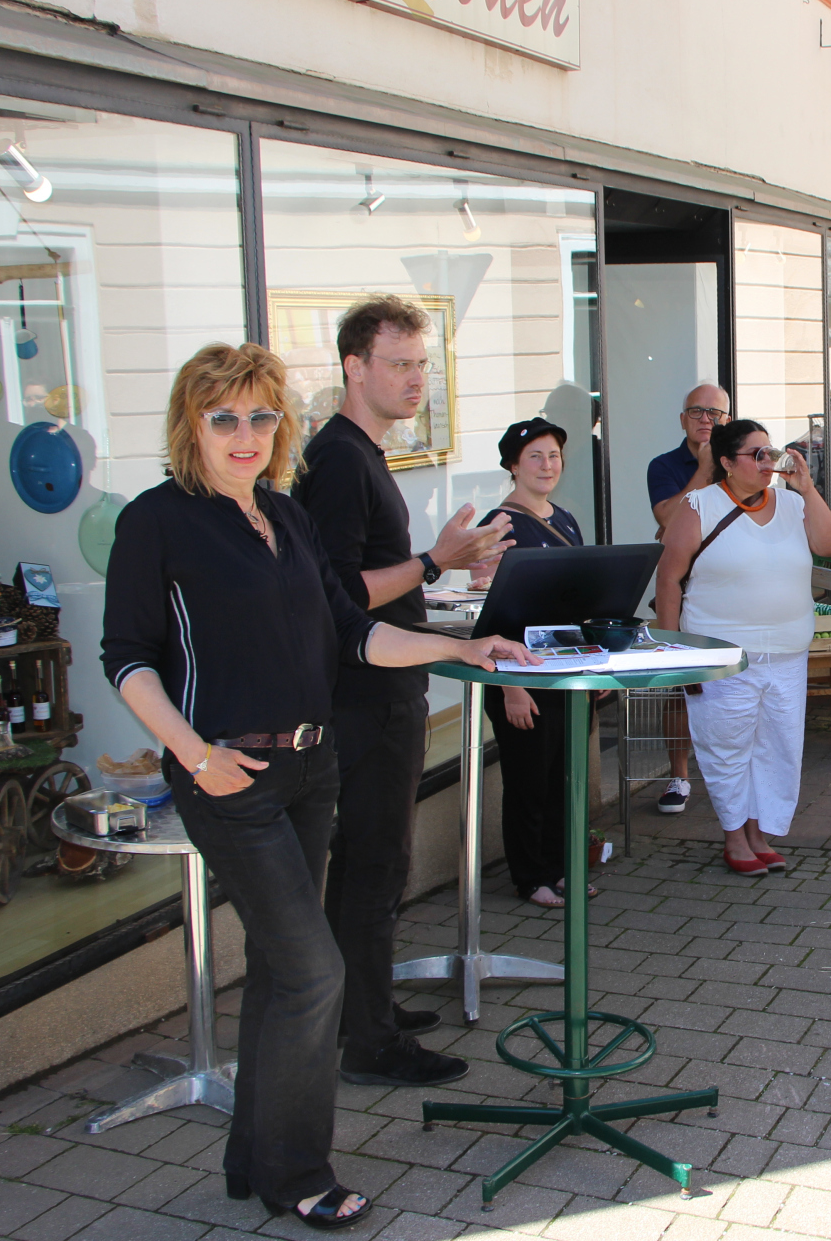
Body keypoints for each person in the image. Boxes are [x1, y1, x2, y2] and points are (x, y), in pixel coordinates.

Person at [101, 342, 535, 1229]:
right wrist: (192, 753)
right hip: (230, 774)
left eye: (261, 415)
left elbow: (354, 631)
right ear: (191, 423)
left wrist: (461, 647)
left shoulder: (285, 517)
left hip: (310, 766)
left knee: (278, 969)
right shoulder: (158, 520)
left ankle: (250, 1157)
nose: (246, 433)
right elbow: (129, 658)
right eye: (224, 416)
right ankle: (298, 1170)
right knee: (314, 970)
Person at [292, 296, 510, 1092]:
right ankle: (369, 1041)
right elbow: (338, 591)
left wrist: (447, 563)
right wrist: (431, 561)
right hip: (364, 693)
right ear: (354, 367)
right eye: (400, 363)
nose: (416, 379)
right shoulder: (342, 460)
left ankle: (364, 1010)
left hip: (382, 688)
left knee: (367, 863)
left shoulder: (362, 452)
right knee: (375, 862)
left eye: (424, 364)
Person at [655, 418, 831, 874]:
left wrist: (809, 490)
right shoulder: (698, 505)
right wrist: (672, 650)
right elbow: (668, 578)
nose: (768, 462)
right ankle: (734, 835)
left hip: (786, 652)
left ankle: (758, 831)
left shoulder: (791, 503)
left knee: (776, 746)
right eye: (756, 454)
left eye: (770, 452)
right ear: (725, 462)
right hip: (723, 656)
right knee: (727, 746)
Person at [481, 418, 592, 906]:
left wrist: (592, 666)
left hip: (564, 668)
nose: (548, 466)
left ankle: (560, 865)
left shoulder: (565, 518)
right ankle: (530, 876)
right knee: (527, 780)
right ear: (513, 465)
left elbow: (581, 600)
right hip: (519, 674)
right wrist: (511, 685)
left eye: (554, 456)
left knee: (562, 777)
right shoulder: (498, 525)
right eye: (535, 457)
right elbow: (488, 613)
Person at [646, 382, 732, 815]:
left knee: (732, 685)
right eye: (696, 412)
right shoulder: (664, 465)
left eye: (714, 414)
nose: (705, 420)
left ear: (727, 421)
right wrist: (702, 469)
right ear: (683, 419)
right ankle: (679, 776)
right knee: (681, 686)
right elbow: (667, 517)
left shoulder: (740, 462)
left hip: (730, 590)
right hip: (681, 589)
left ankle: (731, 773)